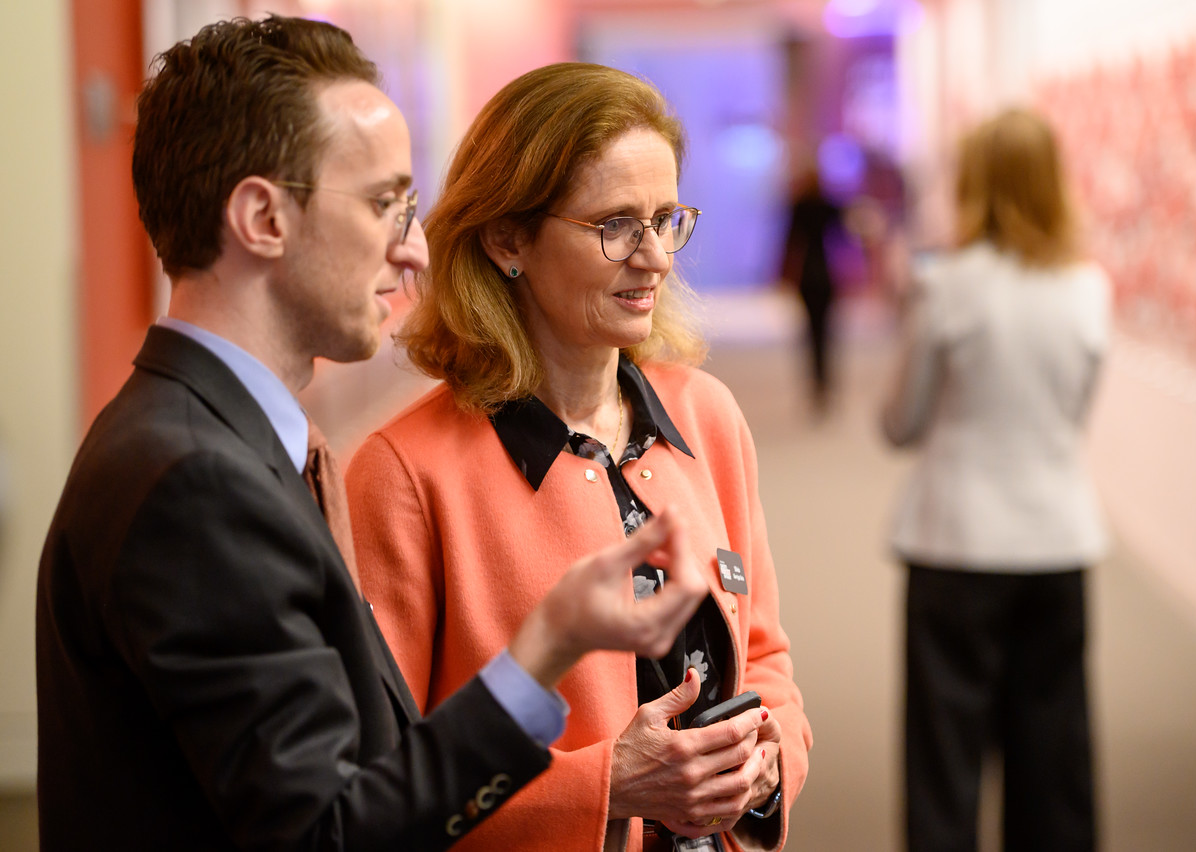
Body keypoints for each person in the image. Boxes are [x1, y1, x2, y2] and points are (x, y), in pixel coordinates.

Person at [35, 18, 708, 852]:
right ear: (262, 218)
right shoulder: (195, 479)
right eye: (385, 204)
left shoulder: (227, 441)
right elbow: (330, 834)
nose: (415, 250)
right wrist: (544, 650)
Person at [345, 62, 812, 852]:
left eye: (666, 218)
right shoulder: (403, 475)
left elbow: (765, 658)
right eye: (616, 225)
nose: (657, 257)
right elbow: (389, 781)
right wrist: (605, 787)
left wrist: (766, 767)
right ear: (506, 238)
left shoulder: (708, 418)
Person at [880, 107, 1109, 852]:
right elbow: (1073, 415)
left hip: (955, 541)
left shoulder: (947, 286)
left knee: (945, 760)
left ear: (975, 183)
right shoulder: (1088, 289)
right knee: (1056, 758)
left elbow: (900, 424)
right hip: (1057, 541)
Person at [780, 163, 843, 418]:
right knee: (826, 333)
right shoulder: (829, 206)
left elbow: (789, 242)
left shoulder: (799, 206)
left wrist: (784, 274)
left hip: (808, 275)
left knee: (811, 331)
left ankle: (816, 384)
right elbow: (844, 237)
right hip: (827, 274)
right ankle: (825, 383)